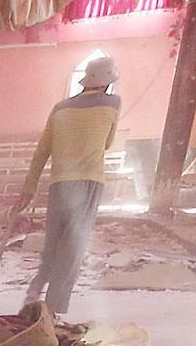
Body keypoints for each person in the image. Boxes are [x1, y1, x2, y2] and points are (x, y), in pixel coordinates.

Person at [13, 56, 122, 316]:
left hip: (60, 183)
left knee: (53, 242)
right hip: (89, 182)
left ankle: (36, 286)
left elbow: (42, 151)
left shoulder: (60, 108)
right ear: (107, 84)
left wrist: (28, 189)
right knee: (73, 248)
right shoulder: (113, 103)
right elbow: (107, 143)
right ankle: (51, 311)